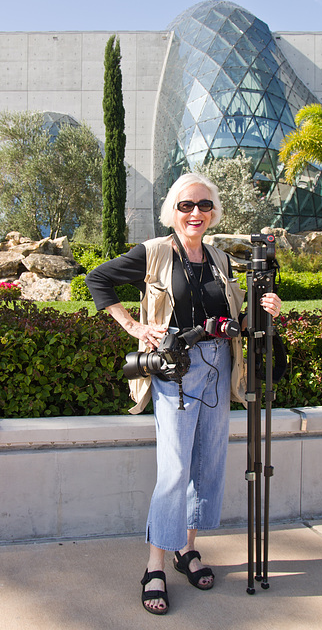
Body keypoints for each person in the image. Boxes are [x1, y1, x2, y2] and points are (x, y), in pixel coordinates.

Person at [85, 173, 282, 615]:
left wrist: (265, 309)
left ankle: (186, 549)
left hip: (218, 368)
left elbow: (235, 319)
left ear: (214, 213)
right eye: (187, 205)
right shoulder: (154, 252)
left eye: (205, 206)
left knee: (207, 464)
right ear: (172, 210)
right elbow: (97, 280)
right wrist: (136, 328)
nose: (196, 213)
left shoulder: (220, 259)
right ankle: (154, 565)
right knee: (175, 469)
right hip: (176, 370)